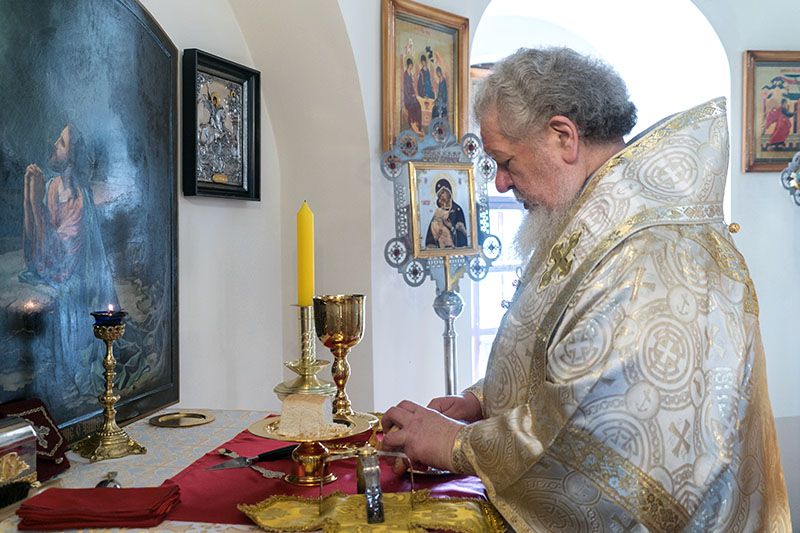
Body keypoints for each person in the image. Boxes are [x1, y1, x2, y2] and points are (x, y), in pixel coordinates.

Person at [382, 47, 791, 531]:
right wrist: (483, 399)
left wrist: (454, 443)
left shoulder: (646, 252)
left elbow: (595, 434)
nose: (502, 184)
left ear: (563, 137)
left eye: (505, 161)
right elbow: (568, 344)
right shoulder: (600, 218)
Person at [425, 178, 467, 249]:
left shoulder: (457, 210)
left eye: (443, 193)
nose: (441, 196)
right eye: (439, 195)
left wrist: (453, 228)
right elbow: (430, 238)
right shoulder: (439, 211)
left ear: (449, 192)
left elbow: (462, 235)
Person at [402, 57, 423, 136]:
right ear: (408, 65)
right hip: (407, 97)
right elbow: (406, 88)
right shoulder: (405, 74)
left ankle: (418, 125)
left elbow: (411, 86)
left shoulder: (410, 74)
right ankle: (412, 124)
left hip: (412, 96)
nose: (411, 66)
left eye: (412, 65)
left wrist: (414, 93)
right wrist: (410, 95)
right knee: (412, 106)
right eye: (411, 65)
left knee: (418, 106)